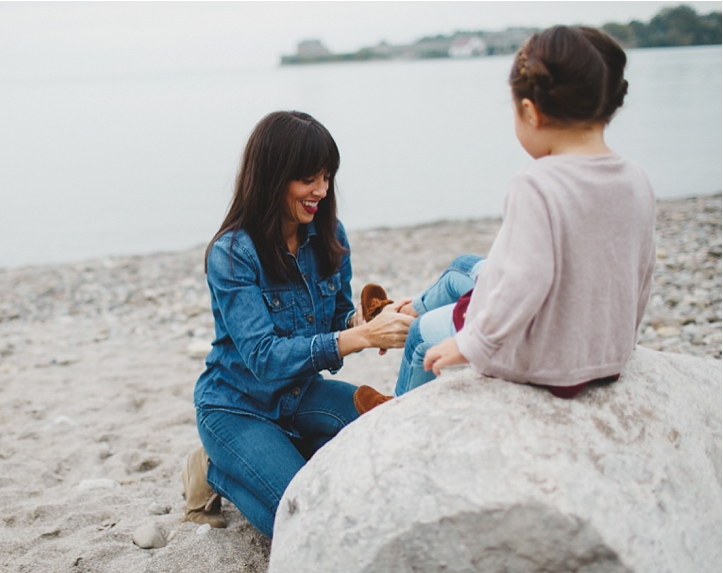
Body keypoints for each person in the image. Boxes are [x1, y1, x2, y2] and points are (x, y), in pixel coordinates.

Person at [354, 25, 656, 413]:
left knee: (420, 335)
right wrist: (619, 341)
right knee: (465, 268)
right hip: (604, 351)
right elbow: (641, 269)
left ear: (530, 112)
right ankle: (391, 312)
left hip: (548, 356)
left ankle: (399, 409)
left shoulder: (537, 183)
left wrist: (471, 344)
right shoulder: (635, 177)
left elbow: (524, 283)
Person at [185, 111, 414, 538]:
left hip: (303, 394)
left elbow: (338, 316)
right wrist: (358, 337)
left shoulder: (330, 233)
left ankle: (290, 451)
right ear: (273, 176)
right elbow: (264, 358)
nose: (321, 192)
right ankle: (215, 469)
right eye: (309, 178)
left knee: (385, 446)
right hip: (238, 405)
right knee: (302, 524)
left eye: (327, 177)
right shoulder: (233, 253)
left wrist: (370, 319)